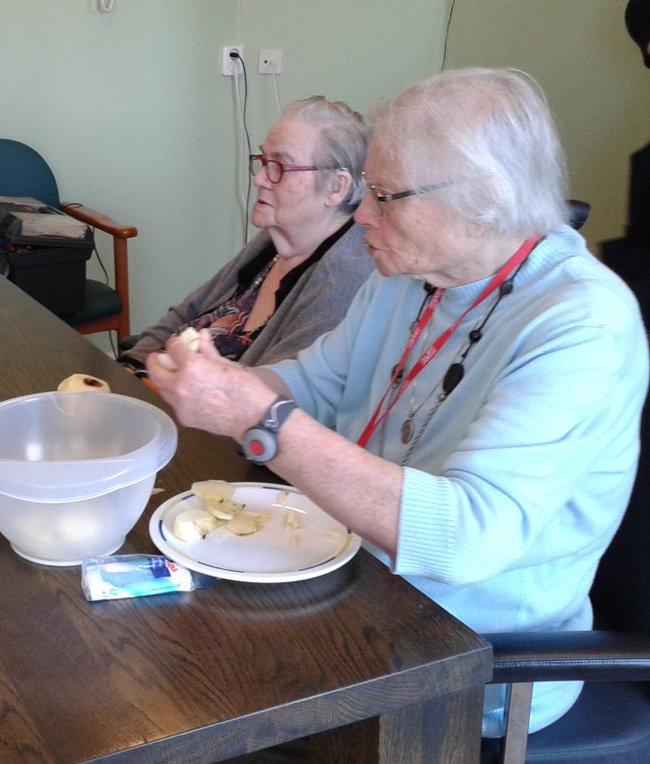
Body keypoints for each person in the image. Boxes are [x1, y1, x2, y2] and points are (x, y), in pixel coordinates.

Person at [148, 67, 649, 737]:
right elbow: (318, 382)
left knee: (186, 695)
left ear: (484, 200)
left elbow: (468, 538)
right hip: (355, 589)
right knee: (157, 645)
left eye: (384, 196)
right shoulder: (409, 276)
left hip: (468, 662)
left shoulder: (581, 325)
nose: (360, 215)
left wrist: (257, 419)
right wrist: (223, 384)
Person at [119, 96, 374, 377]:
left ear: (336, 188)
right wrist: (131, 367)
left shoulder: (343, 279)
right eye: (264, 160)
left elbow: (271, 400)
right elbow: (186, 313)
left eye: (280, 166)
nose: (260, 178)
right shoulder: (274, 242)